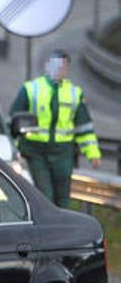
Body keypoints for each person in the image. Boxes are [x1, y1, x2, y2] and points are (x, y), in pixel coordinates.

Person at [10, 50, 101, 208]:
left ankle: (62, 230)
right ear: (47, 66)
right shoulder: (31, 89)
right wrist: (14, 146)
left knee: (62, 197)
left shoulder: (74, 93)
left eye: (63, 66)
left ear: (67, 69)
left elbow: (84, 127)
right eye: (55, 65)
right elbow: (13, 121)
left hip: (62, 152)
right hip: (35, 150)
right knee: (45, 195)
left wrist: (93, 154)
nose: (59, 69)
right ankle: (47, 229)